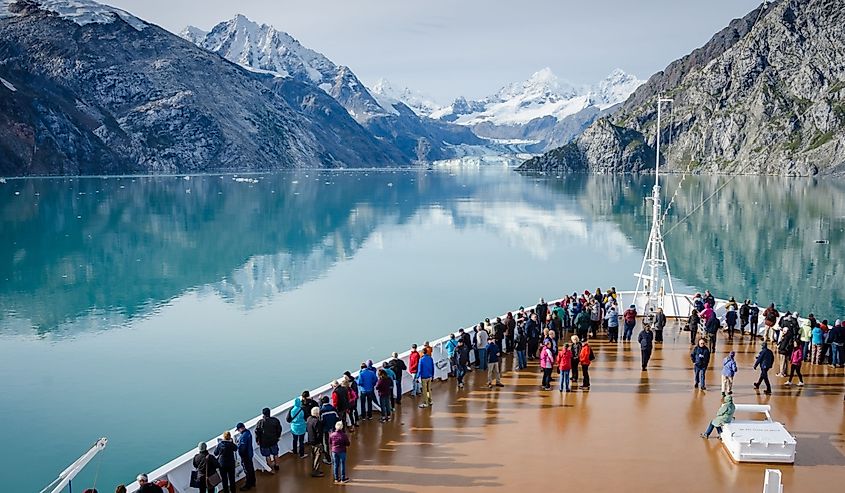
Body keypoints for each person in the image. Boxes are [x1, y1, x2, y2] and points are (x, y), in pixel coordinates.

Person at [305, 407, 325, 477]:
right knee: (318, 456)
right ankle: (315, 471)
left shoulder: (308, 419)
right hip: (316, 442)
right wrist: (320, 442)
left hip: (311, 440)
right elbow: (319, 433)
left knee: (313, 456)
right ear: (317, 413)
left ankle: (314, 469)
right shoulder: (317, 422)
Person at [235, 423, 256, 490]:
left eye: (238, 430)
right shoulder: (248, 432)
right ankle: (253, 482)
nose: (238, 431)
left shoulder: (243, 436)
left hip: (245, 456)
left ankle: (248, 485)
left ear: (241, 428)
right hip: (249, 454)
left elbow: (242, 448)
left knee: (247, 470)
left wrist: (237, 446)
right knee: (251, 469)